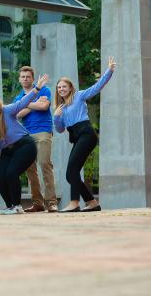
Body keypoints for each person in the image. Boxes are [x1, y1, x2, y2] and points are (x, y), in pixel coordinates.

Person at [54, 57, 116, 213]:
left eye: (64, 86)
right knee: (70, 175)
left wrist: (109, 71)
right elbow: (60, 130)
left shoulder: (79, 96)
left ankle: (74, 203)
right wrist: (56, 117)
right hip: (77, 137)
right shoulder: (61, 108)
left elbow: (97, 87)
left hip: (87, 134)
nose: (61, 89)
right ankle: (92, 202)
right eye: (59, 87)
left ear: (70, 88)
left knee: (73, 169)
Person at [0, 74, 49, 215]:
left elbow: (22, 103)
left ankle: (17, 206)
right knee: (0, 177)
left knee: (12, 173)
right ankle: (10, 206)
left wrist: (37, 88)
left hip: (24, 145)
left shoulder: (7, 111)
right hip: (7, 151)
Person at [14, 66, 58, 213]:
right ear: (19, 79)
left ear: (33, 79)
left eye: (28, 76)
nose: (25, 79)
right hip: (26, 134)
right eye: (23, 76)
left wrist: (25, 103)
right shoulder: (18, 97)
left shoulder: (44, 90)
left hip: (43, 131)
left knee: (45, 164)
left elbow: (44, 106)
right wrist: (35, 104)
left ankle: (51, 202)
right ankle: (38, 203)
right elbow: (17, 114)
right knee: (30, 169)